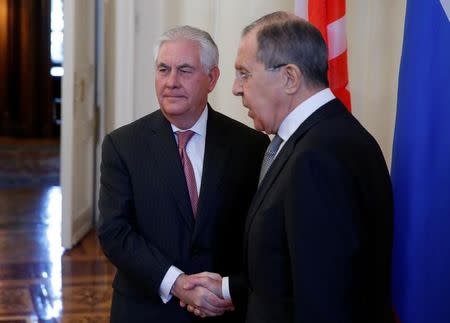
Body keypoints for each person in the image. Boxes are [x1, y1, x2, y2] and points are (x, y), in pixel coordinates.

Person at [182, 11, 395, 323]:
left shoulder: (321, 157)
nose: (235, 88)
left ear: (290, 77)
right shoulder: (316, 139)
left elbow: (326, 301)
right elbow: (293, 272)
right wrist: (228, 288)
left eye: (244, 73)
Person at [97, 25, 269, 323]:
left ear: (212, 78)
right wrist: (177, 284)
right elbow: (115, 233)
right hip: (146, 310)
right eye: (164, 69)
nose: (171, 82)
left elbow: (257, 237)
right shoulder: (123, 145)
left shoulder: (250, 146)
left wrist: (232, 291)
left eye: (185, 70)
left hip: (223, 310)